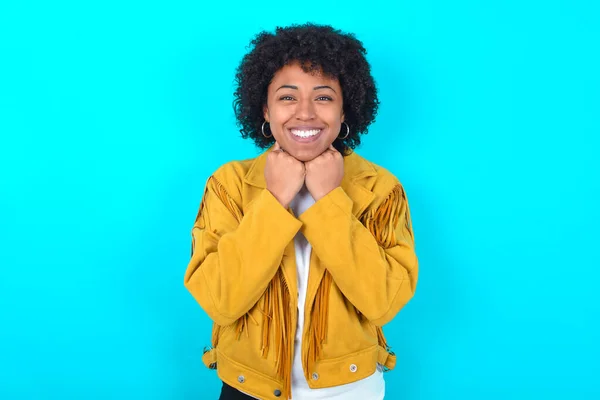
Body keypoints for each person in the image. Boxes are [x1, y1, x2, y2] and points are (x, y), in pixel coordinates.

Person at [184, 23, 419, 400]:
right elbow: (220, 300)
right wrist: (274, 200)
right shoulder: (230, 184)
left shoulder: (379, 188)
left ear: (346, 110)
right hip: (248, 388)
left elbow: (383, 302)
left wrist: (330, 203)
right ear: (265, 107)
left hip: (353, 389)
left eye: (324, 97)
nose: (305, 113)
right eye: (287, 97)